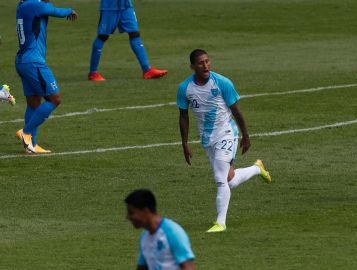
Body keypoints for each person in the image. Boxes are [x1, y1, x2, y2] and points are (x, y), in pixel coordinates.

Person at [177, 49, 272, 233]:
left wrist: (245, 135)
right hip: (207, 139)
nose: (205, 65)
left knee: (220, 179)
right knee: (230, 181)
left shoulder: (222, 83)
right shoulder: (185, 88)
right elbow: (183, 116)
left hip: (227, 133)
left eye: (207, 61)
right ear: (192, 67)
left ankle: (221, 223)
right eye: (200, 63)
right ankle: (257, 168)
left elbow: (236, 111)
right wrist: (184, 143)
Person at [15, 0, 78, 154]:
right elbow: (56, 11)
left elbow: (47, 8)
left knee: (34, 102)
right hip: (33, 62)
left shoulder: (23, 6)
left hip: (23, 60)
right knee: (55, 99)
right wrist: (70, 10)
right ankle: (26, 132)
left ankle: (32, 146)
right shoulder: (34, 5)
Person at [88, 0, 168, 81]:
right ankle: (93, 73)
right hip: (110, 7)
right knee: (103, 36)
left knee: (134, 33)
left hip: (126, 6)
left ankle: (147, 70)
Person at [125, 189, 195, 270]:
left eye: (131, 212)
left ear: (145, 211)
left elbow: (188, 267)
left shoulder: (172, 232)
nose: (128, 217)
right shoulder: (144, 237)